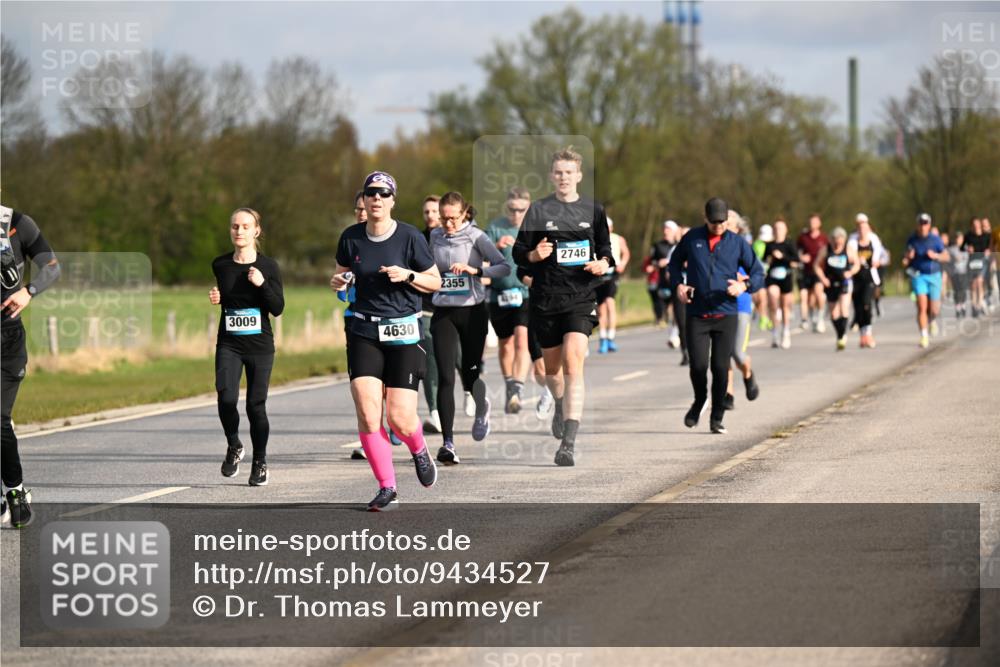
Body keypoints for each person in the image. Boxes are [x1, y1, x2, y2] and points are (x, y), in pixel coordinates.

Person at [331, 171, 442, 511]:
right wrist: (339, 282)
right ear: (363, 200)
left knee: (400, 419)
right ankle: (387, 488)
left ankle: (419, 449)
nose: (376, 199)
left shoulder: (409, 237)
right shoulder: (351, 237)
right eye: (370, 193)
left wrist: (408, 275)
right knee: (367, 412)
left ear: (393, 200)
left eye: (383, 193)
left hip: (405, 333)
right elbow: (342, 276)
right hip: (364, 331)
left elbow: (435, 282)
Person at [513, 146, 614, 466]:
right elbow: (519, 253)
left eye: (569, 172)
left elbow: (606, 249)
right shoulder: (539, 210)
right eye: (558, 172)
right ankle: (559, 401)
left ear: (579, 176)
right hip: (546, 299)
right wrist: (534, 256)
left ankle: (568, 442)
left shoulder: (593, 210)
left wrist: (604, 263)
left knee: (574, 364)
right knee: (552, 370)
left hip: (581, 298)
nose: (563, 178)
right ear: (551, 177)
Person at [669, 197, 764, 434]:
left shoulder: (737, 243)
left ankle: (717, 416)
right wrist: (679, 285)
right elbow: (673, 264)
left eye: (722, 222)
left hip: (726, 313)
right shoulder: (692, 238)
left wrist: (744, 286)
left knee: (721, 368)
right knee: (698, 366)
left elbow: (758, 272)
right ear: (705, 219)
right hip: (697, 312)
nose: (719, 226)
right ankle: (699, 400)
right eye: (714, 222)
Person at [430, 191, 509, 464]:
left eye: (453, 218)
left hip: (473, 312)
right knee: (445, 377)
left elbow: (504, 267)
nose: (447, 224)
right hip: (444, 312)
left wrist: (475, 271)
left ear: (464, 214)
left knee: (470, 372)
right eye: (443, 218)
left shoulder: (477, 237)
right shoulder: (434, 236)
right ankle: (448, 443)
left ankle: (481, 407)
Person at [209, 208, 284, 486]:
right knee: (226, 398)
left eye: (245, 226)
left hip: (260, 346)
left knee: (255, 406)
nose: (239, 231)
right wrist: (218, 297)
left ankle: (260, 461)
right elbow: (227, 298)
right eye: (234, 226)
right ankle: (234, 444)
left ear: (256, 231)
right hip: (229, 343)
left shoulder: (269, 267)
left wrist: (262, 284)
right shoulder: (220, 265)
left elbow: (277, 308)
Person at [1, 204, 60, 528]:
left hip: (6, 338)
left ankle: (15, 490)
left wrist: (28, 291)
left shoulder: (17, 224)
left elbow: (51, 267)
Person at [486, 188, 548, 415]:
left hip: (525, 293)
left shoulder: (535, 229)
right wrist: (495, 247)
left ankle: (517, 389)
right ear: (506, 207)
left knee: (522, 340)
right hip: (498, 294)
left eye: (522, 209)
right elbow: (478, 258)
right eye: (512, 209)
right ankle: (510, 382)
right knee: (506, 344)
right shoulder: (494, 228)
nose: (516, 214)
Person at [724, 210, 761, 410]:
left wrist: (743, 280)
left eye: (729, 224)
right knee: (723, 354)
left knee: (737, 353)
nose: (725, 227)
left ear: (737, 228)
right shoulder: (714, 247)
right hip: (719, 306)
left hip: (740, 306)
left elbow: (757, 275)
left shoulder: (743, 248)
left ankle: (748, 373)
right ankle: (727, 393)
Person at [903, 213, 947, 349]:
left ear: (929, 225)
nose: (923, 226)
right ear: (917, 225)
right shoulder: (912, 239)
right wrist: (908, 257)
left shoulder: (935, 239)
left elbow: (946, 256)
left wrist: (936, 255)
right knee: (922, 307)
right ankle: (924, 336)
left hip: (934, 275)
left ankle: (932, 320)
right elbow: (905, 261)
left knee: (934, 310)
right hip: (918, 275)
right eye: (921, 223)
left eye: (925, 223)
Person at [419, 195, 444, 433]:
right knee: (430, 363)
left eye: (434, 211)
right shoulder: (417, 239)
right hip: (426, 308)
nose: (430, 216)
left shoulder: (455, 237)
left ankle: (471, 393)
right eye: (427, 212)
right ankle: (435, 413)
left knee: (456, 360)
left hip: (451, 309)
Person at [815, 226, 860, 350]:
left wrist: (850, 273)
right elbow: (817, 265)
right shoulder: (826, 249)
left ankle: (842, 336)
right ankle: (840, 334)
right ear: (831, 239)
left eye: (840, 240)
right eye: (835, 239)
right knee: (833, 312)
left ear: (844, 240)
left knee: (844, 307)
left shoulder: (848, 250)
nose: (837, 243)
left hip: (844, 281)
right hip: (830, 283)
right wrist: (823, 278)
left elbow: (857, 264)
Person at [847, 213, 885, 348]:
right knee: (858, 307)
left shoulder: (874, 240)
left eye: (865, 228)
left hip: (870, 277)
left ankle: (868, 333)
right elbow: (848, 256)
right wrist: (855, 259)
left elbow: (882, 256)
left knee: (866, 303)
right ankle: (863, 336)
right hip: (856, 278)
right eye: (860, 228)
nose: (863, 231)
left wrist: (877, 261)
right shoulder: (852, 241)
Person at [597, 217, 631, 353]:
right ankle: (603, 338)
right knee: (601, 309)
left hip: (613, 273)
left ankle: (611, 337)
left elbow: (626, 253)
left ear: (611, 227)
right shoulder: (595, 237)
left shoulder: (618, 239)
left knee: (610, 303)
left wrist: (622, 264)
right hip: (600, 275)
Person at [763, 219, 798, 349]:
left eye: (781, 228)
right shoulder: (770, 245)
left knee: (785, 306)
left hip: (786, 276)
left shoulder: (789, 244)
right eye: (776, 228)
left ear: (785, 230)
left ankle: (786, 331)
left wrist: (782, 257)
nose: (778, 231)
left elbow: (796, 260)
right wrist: (769, 259)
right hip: (773, 276)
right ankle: (775, 333)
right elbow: (764, 260)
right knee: (772, 298)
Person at [797, 214, 829, 332]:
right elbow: (796, 252)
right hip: (806, 271)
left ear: (819, 223)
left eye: (814, 222)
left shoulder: (824, 238)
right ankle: (809, 318)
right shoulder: (803, 238)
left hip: (819, 271)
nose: (812, 224)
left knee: (818, 292)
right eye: (810, 222)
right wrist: (801, 257)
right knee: (807, 298)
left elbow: (829, 253)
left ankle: (820, 318)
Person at [965, 217, 991, 318]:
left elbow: (991, 246)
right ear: (972, 226)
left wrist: (988, 250)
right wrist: (968, 248)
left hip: (982, 260)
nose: (976, 227)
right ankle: (974, 305)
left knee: (979, 282)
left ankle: (979, 305)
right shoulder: (968, 236)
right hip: (972, 261)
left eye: (977, 225)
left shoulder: (986, 235)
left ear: (980, 225)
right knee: (973, 284)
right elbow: (962, 246)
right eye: (974, 225)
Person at [752, 223, 773, 331]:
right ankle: (764, 318)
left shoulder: (774, 244)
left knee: (770, 299)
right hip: (760, 274)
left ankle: (769, 318)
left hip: (772, 275)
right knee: (761, 298)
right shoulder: (756, 244)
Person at [947, 231, 970, 318]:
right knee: (956, 291)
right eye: (957, 238)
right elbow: (946, 259)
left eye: (960, 238)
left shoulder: (967, 248)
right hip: (954, 273)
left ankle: (963, 306)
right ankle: (958, 308)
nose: (958, 240)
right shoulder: (951, 249)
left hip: (964, 272)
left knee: (963, 290)